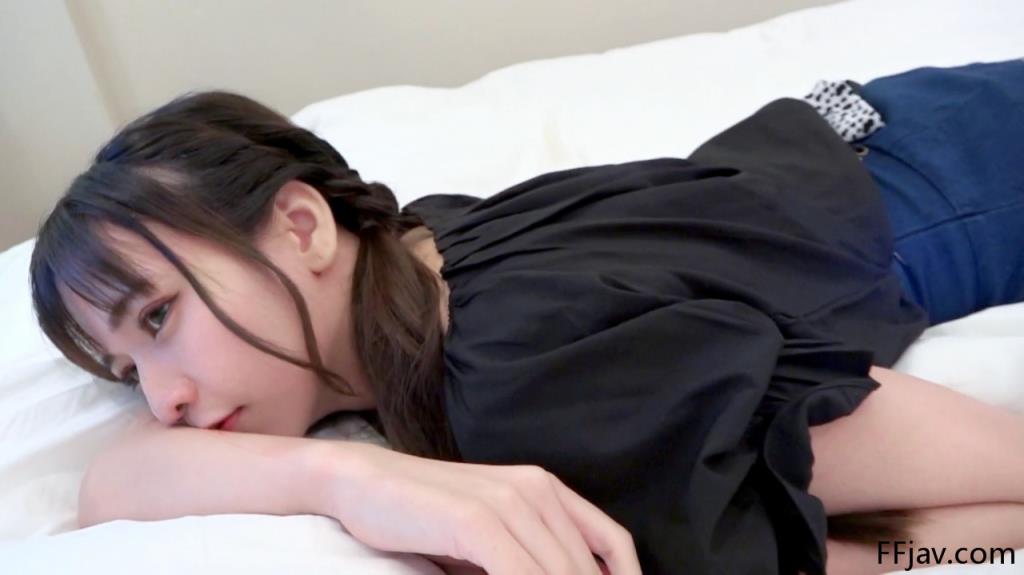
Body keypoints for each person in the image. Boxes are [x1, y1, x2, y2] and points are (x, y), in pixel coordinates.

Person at [28, 59, 1024, 575]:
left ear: (301, 226)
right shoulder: (412, 269)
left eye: (158, 316)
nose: (162, 399)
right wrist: (347, 475)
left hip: (955, 181)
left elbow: (1001, 476)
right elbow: (114, 486)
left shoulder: (517, 366)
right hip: (877, 138)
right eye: (125, 370)